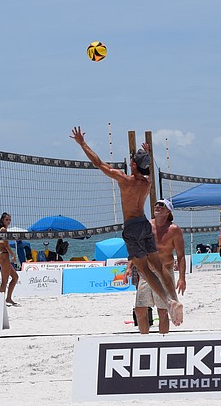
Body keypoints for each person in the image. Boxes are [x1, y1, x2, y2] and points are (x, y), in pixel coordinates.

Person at [71, 126, 183, 326]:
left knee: (145, 271)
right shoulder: (147, 182)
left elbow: (97, 163)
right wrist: (147, 155)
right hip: (144, 223)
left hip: (132, 227)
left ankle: (167, 301)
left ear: (132, 163)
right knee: (157, 266)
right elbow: (147, 168)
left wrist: (82, 144)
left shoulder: (124, 180)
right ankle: (174, 298)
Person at [133, 199, 186, 334]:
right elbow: (138, 248)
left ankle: (162, 339)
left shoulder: (174, 230)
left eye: (161, 205)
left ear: (168, 211)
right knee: (140, 309)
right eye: (156, 204)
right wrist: (130, 267)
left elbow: (181, 255)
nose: (157, 206)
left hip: (164, 271)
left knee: (162, 311)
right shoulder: (147, 226)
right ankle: (145, 339)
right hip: (146, 272)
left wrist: (182, 278)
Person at [0, 212, 19, 306]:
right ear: (2, 220)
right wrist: (13, 255)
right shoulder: (3, 229)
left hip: (2, 255)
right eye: (7, 219)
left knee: (15, 277)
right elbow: (6, 244)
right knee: (4, 280)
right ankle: (0, 302)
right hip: (3, 256)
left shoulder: (2, 229)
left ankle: (8, 298)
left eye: (9, 219)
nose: (9, 221)